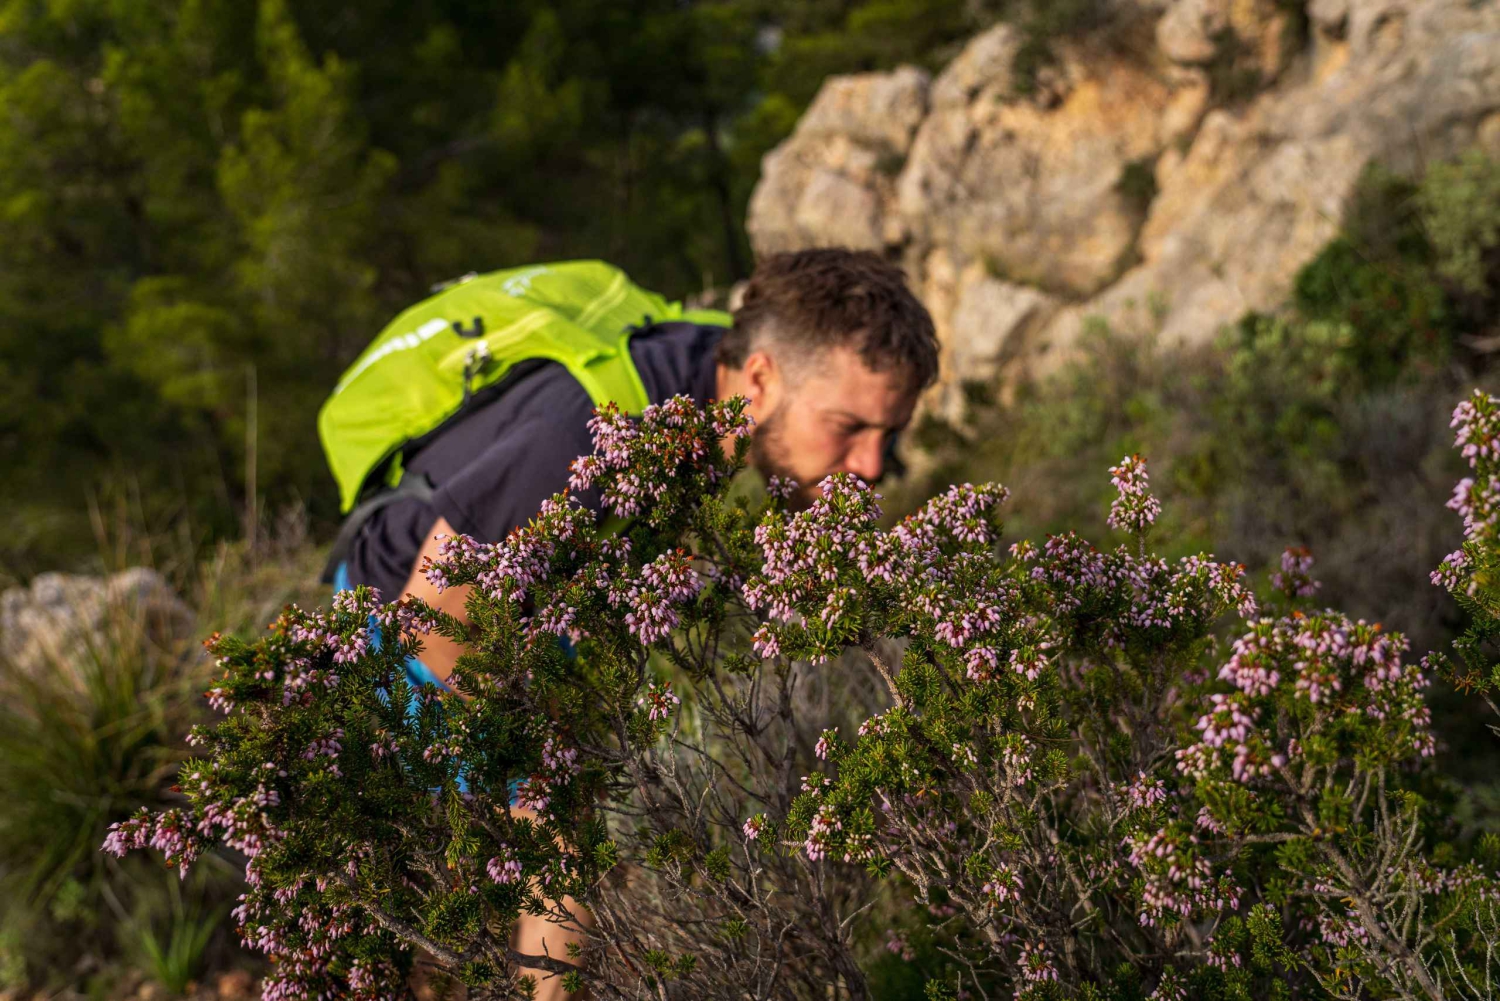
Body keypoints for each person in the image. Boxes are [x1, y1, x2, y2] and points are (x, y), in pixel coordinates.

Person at [341, 246, 941, 999]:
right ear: (759, 378)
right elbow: (429, 621)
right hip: (390, 614)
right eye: (849, 426)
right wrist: (542, 783)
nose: (874, 463)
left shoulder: (713, 380)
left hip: (522, 606)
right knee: (558, 826)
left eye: (891, 433)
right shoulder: (588, 434)